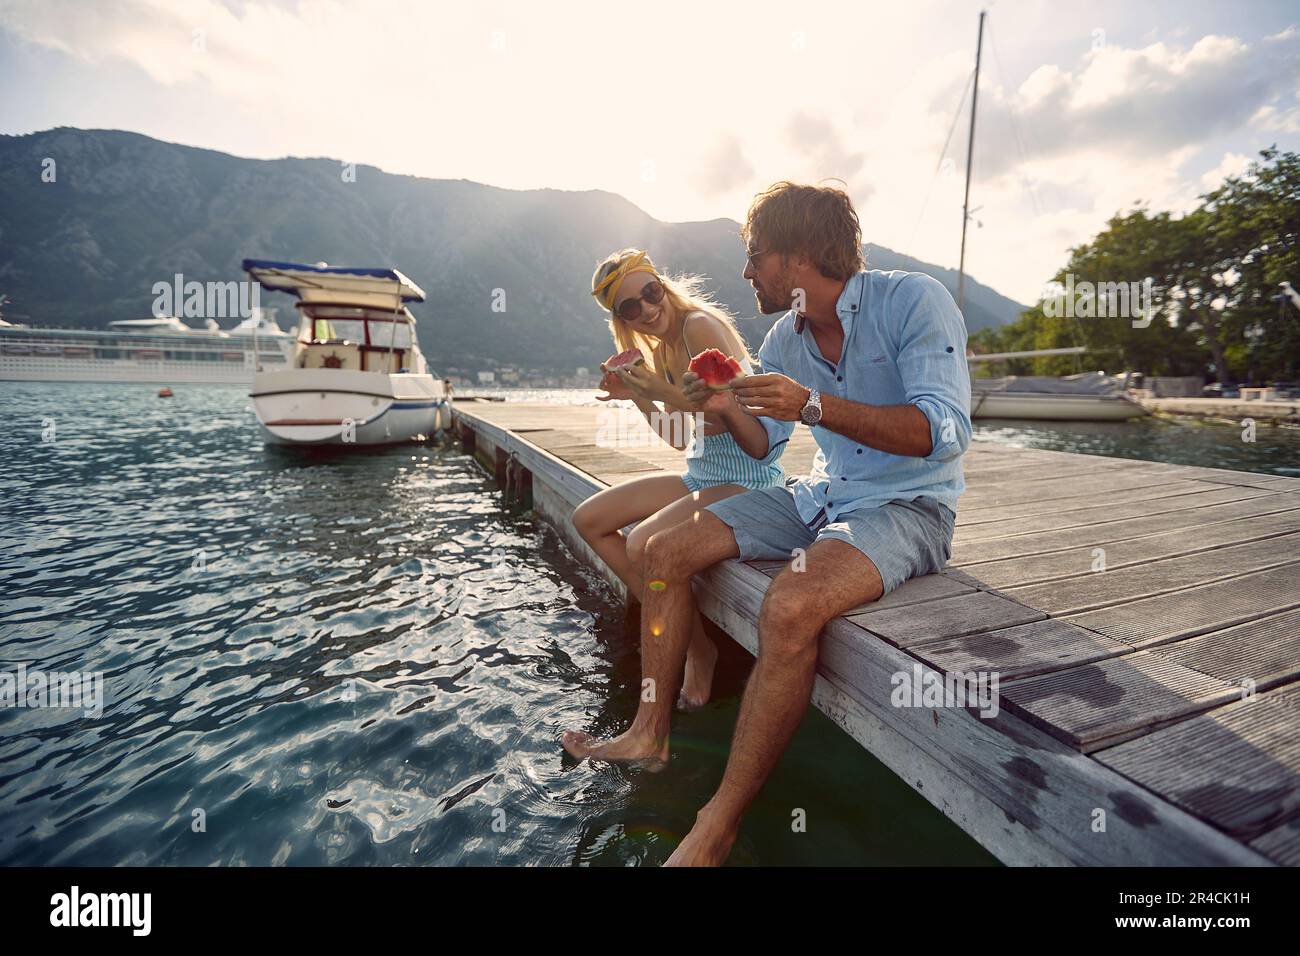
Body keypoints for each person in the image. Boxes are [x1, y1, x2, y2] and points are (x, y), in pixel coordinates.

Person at [562, 182, 973, 865]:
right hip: (818, 497)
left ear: (800, 253)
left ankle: (717, 822)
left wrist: (812, 405)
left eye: (756, 256)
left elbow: (943, 431)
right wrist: (723, 407)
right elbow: (761, 448)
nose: (746, 273)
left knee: (789, 605)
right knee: (658, 550)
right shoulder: (785, 336)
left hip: (908, 507)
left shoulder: (914, 301)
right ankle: (651, 731)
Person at [570, 249, 787, 709]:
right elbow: (674, 436)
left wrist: (654, 388)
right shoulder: (664, 349)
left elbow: (732, 413)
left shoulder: (698, 327)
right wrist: (636, 395)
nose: (648, 309)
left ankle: (697, 652)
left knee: (640, 544)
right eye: (631, 307)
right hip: (703, 473)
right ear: (620, 319)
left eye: (651, 293)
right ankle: (695, 641)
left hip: (749, 477)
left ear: (663, 285)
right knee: (589, 519)